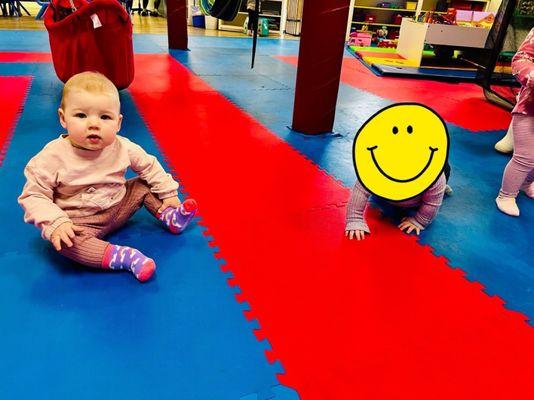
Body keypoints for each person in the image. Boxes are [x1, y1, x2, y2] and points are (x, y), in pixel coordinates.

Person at [18, 71, 196, 282]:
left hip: (119, 207)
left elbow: (150, 166)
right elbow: (33, 196)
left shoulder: (123, 146)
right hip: (80, 223)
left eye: (105, 117)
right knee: (64, 244)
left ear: (118, 123)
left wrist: (168, 194)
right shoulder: (50, 158)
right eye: (81, 115)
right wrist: (56, 222)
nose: (94, 124)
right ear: (63, 118)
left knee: (142, 185)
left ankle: (170, 217)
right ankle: (124, 257)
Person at [345, 169, 448, 240]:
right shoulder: (378, 165)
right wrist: (355, 218)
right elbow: (361, 189)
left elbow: (432, 202)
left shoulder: (434, 175)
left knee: (437, 186)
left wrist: (420, 220)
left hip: (416, 201)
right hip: (384, 194)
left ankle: (443, 187)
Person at [495, 28, 534, 217]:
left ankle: (527, 183)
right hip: (530, 108)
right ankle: (506, 195)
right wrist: (532, 75)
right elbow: (521, 59)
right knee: (526, 157)